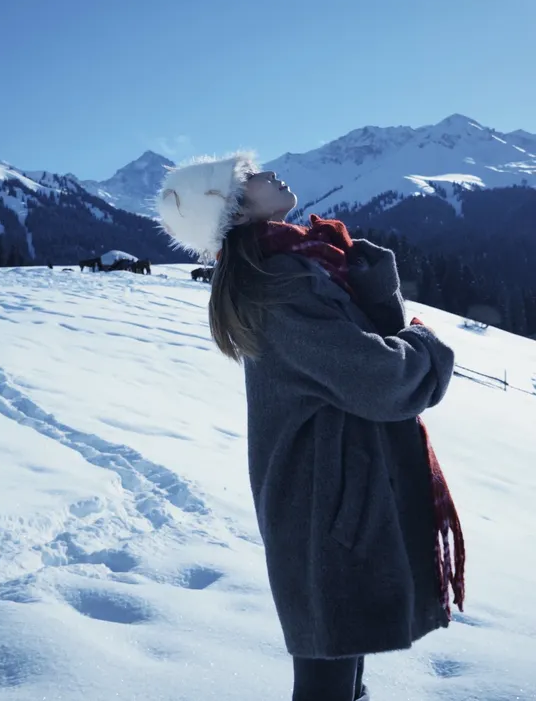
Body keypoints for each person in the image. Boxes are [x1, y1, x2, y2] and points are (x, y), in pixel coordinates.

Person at [156, 153, 465, 701]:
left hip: (342, 497)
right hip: (324, 507)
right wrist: (430, 343)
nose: (266, 173)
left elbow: (359, 363)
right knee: (328, 679)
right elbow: (380, 378)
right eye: (246, 177)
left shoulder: (302, 264)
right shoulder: (278, 287)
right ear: (230, 207)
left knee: (344, 671)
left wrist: (377, 294)